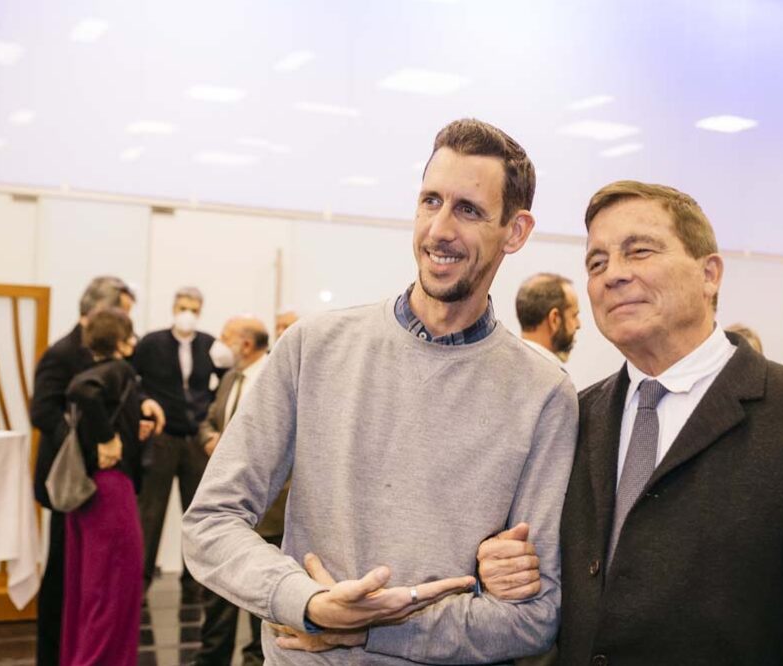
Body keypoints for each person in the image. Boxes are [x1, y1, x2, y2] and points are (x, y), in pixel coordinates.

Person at [181, 118, 578, 664]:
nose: (439, 229)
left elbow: (535, 617)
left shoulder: (544, 394)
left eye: (468, 210)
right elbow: (210, 522)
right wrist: (306, 601)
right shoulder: (313, 347)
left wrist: (370, 629)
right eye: (430, 201)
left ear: (516, 231)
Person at [481, 181, 783, 663]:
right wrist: (501, 568)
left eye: (639, 251)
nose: (613, 275)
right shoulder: (577, 418)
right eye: (597, 263)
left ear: (709, 274)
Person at [29, 276, 164, 666]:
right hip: (78, 480)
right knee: (70, 579)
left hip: (99, 479)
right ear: (99, 312)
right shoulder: (62, 353)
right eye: (123, 313)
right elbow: (45, 411)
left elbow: (113, 399)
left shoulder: (111, 355)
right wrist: (97, 442)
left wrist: (137, 414)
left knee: (92, 582)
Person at [194, 316, 285, 666]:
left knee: (260, 600)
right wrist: (209, 437)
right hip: (227, 508)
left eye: (225, 336)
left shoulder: (277, 376)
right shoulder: (231, 377)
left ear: (246, 344)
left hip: (269, 510)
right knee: (218, 597)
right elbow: (209, 418)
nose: (218, 342)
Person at [60, 307, 145, 666]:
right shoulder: (118, 370)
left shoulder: (95, 369)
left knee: (89, 588)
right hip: (111, 491)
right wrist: (109, 438)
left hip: (90, 490)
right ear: (123, 342)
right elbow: (82, 391)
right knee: (113, 589)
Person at [130, 286, 219, 598]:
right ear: (173, 308)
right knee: (150, 512)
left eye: (193, 309)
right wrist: (144, 405)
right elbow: (131, 379)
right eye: (183, 307)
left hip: (196, 439)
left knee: (198, 512)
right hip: (161, 436)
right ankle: (139, 584)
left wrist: (210, 411)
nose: (187, 314)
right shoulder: (152, 343)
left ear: (200, 311)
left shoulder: (209, 345)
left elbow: (226, 380)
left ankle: (195, 584)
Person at [515, 272, 581, 366]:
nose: (578, 324)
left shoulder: (507, 366)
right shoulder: (551, 373)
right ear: (554, 319)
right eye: (574, 315)